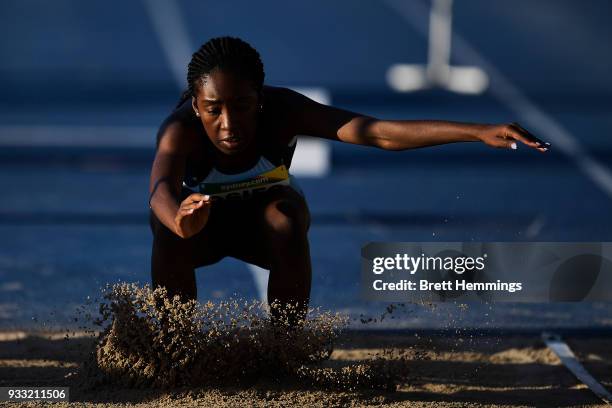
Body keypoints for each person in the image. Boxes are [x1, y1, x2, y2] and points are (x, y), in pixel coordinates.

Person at [148, 36, 548, 326]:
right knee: (166, 231)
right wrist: (181, 218)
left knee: (285, 216)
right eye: (214, 110)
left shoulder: (284, 110)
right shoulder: (179, 130)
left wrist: (476, 132)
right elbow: (159, 191)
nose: (229, 123)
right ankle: (174, 346)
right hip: (204, 227)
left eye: (242, 106)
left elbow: (377, 132)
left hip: (264, 227)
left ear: (260, 100)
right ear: (196, 106)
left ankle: (284, 346)